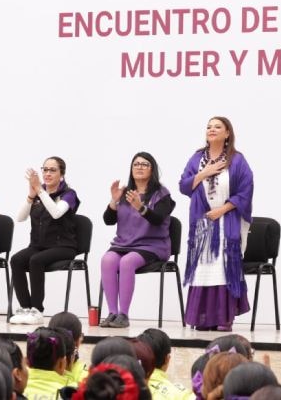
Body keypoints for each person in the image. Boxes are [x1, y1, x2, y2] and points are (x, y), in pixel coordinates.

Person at [180, 116, 254, 331]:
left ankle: (224, 317)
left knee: (222, 267)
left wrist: (222, 210)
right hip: (202, 223)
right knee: (203, 269)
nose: (212, 130)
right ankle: (203, 318)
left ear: (227, 133)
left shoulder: (237, 160)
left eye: (217, 127)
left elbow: (245, 191)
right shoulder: (197, 158)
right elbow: (184, 186)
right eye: (209, 127)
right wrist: (204, 173)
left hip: (227, 219)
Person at [100, 152, 176, 328]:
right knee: (108, 259)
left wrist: (140, 207)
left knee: (127, 262)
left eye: (144, 164)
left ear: (152, 170)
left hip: (153, 245)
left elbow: (157, 219)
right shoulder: (125, 193)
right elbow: (108, 220)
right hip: (124, 243)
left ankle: (124, 315)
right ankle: (112, 313)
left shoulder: (162, 194)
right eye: (136, 164)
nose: (139, 167)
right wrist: (114, 200)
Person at [10, 156, 82, 325]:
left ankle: (37, 310)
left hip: (64, 246)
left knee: (36, 260)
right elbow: (20, 218)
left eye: (52, 170)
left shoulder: (69, 194)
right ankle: (26, 309)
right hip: (39, 245)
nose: (47, 173)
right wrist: (31, 194)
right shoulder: (38, 191)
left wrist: (40, 192)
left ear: (61, 174)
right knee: (16, 260)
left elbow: (56, 213)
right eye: (45, 169)